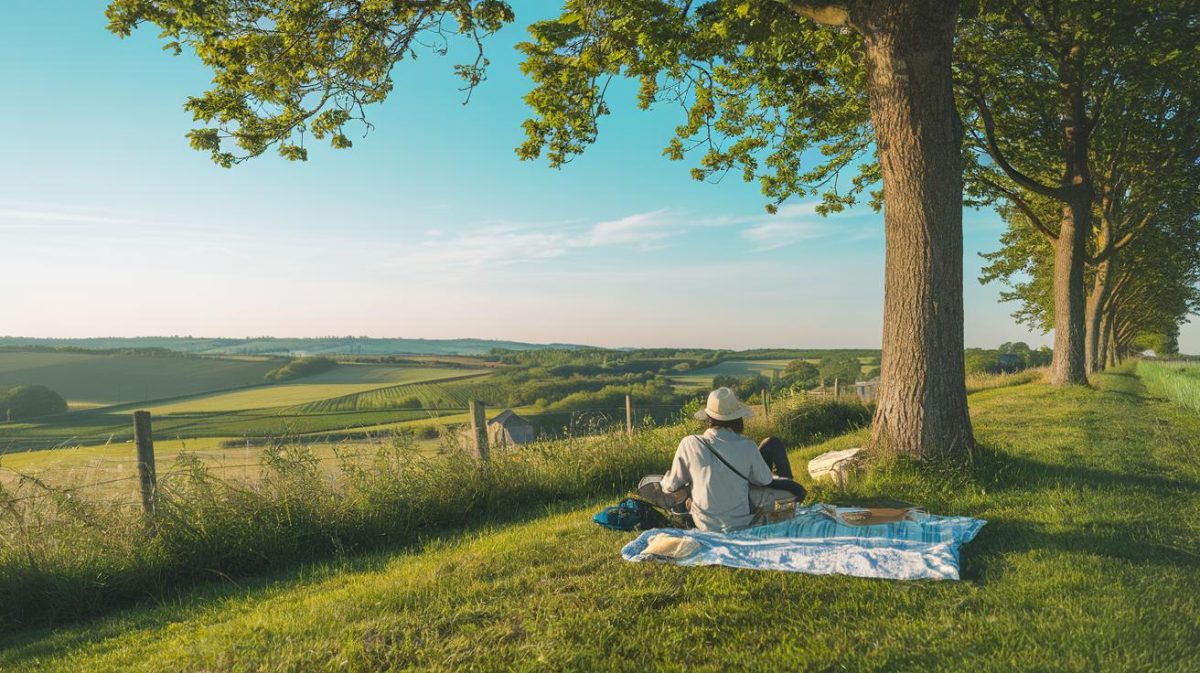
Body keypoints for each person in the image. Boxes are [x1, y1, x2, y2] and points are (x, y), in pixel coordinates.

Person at [640, 387, 806, 532]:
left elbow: (670, 486)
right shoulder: (747, 446)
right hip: (741, 521)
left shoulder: (689, 443)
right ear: (738, 419)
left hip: (704, 523)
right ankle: (791, 508)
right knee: (785, 488)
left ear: (708, 418)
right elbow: (764, 480)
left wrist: (668, 479)